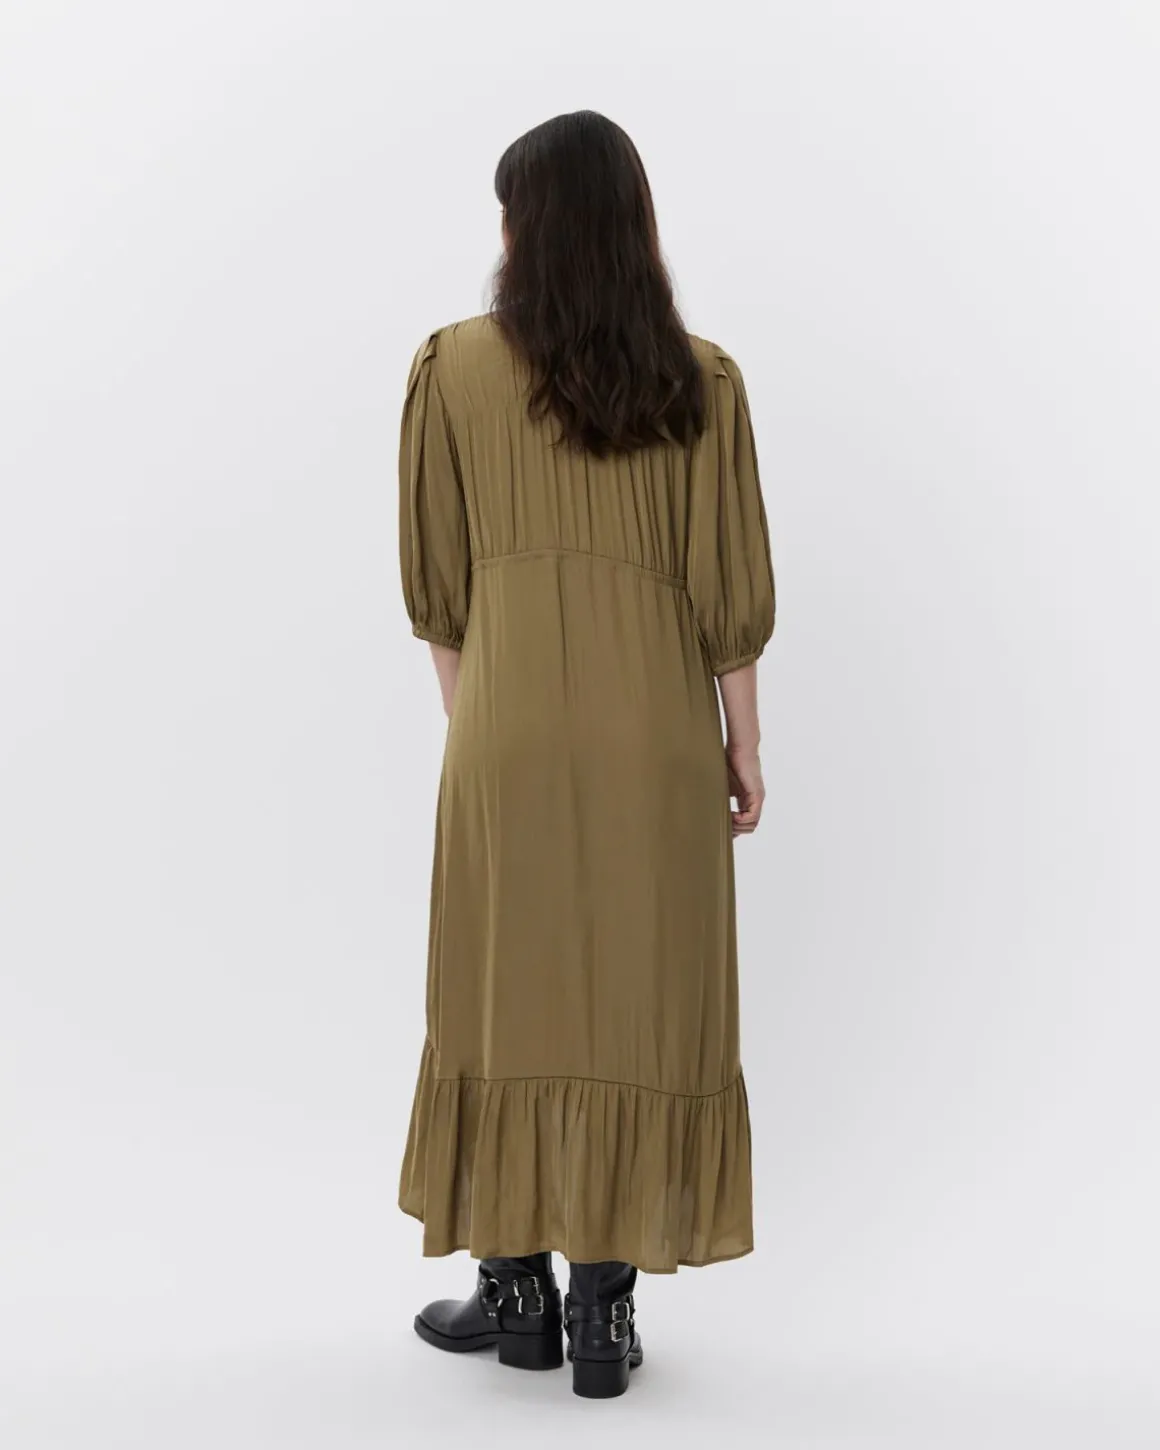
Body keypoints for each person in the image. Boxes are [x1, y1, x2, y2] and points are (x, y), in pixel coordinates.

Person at [397, 110, 774, 1399]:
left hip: (505, 730)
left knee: (501, 993)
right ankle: (605, 1312)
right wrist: (742, 742)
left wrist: (483, 731)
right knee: (638, 995)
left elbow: (439, 591)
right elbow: (728, 591)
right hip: (658, 735)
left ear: (524, 229)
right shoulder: (701, 380)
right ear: (631, 227)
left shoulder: (449, 368)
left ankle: (515, 1294)